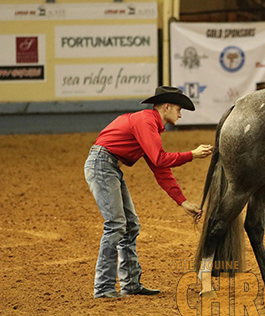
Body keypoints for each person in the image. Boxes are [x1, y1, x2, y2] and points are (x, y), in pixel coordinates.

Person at [84, 86, 213, 299]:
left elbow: (160, 169)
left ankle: (130, 284)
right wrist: (192, 154)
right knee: (116, 224)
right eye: (179, 109)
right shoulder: (146, 122)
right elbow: (160, 160)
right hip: (103, 165)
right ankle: (104, 287)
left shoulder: (148, 124)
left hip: (106, 165)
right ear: (167, 106)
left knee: (129, 224)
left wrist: (183, 202)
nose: (180, 114)